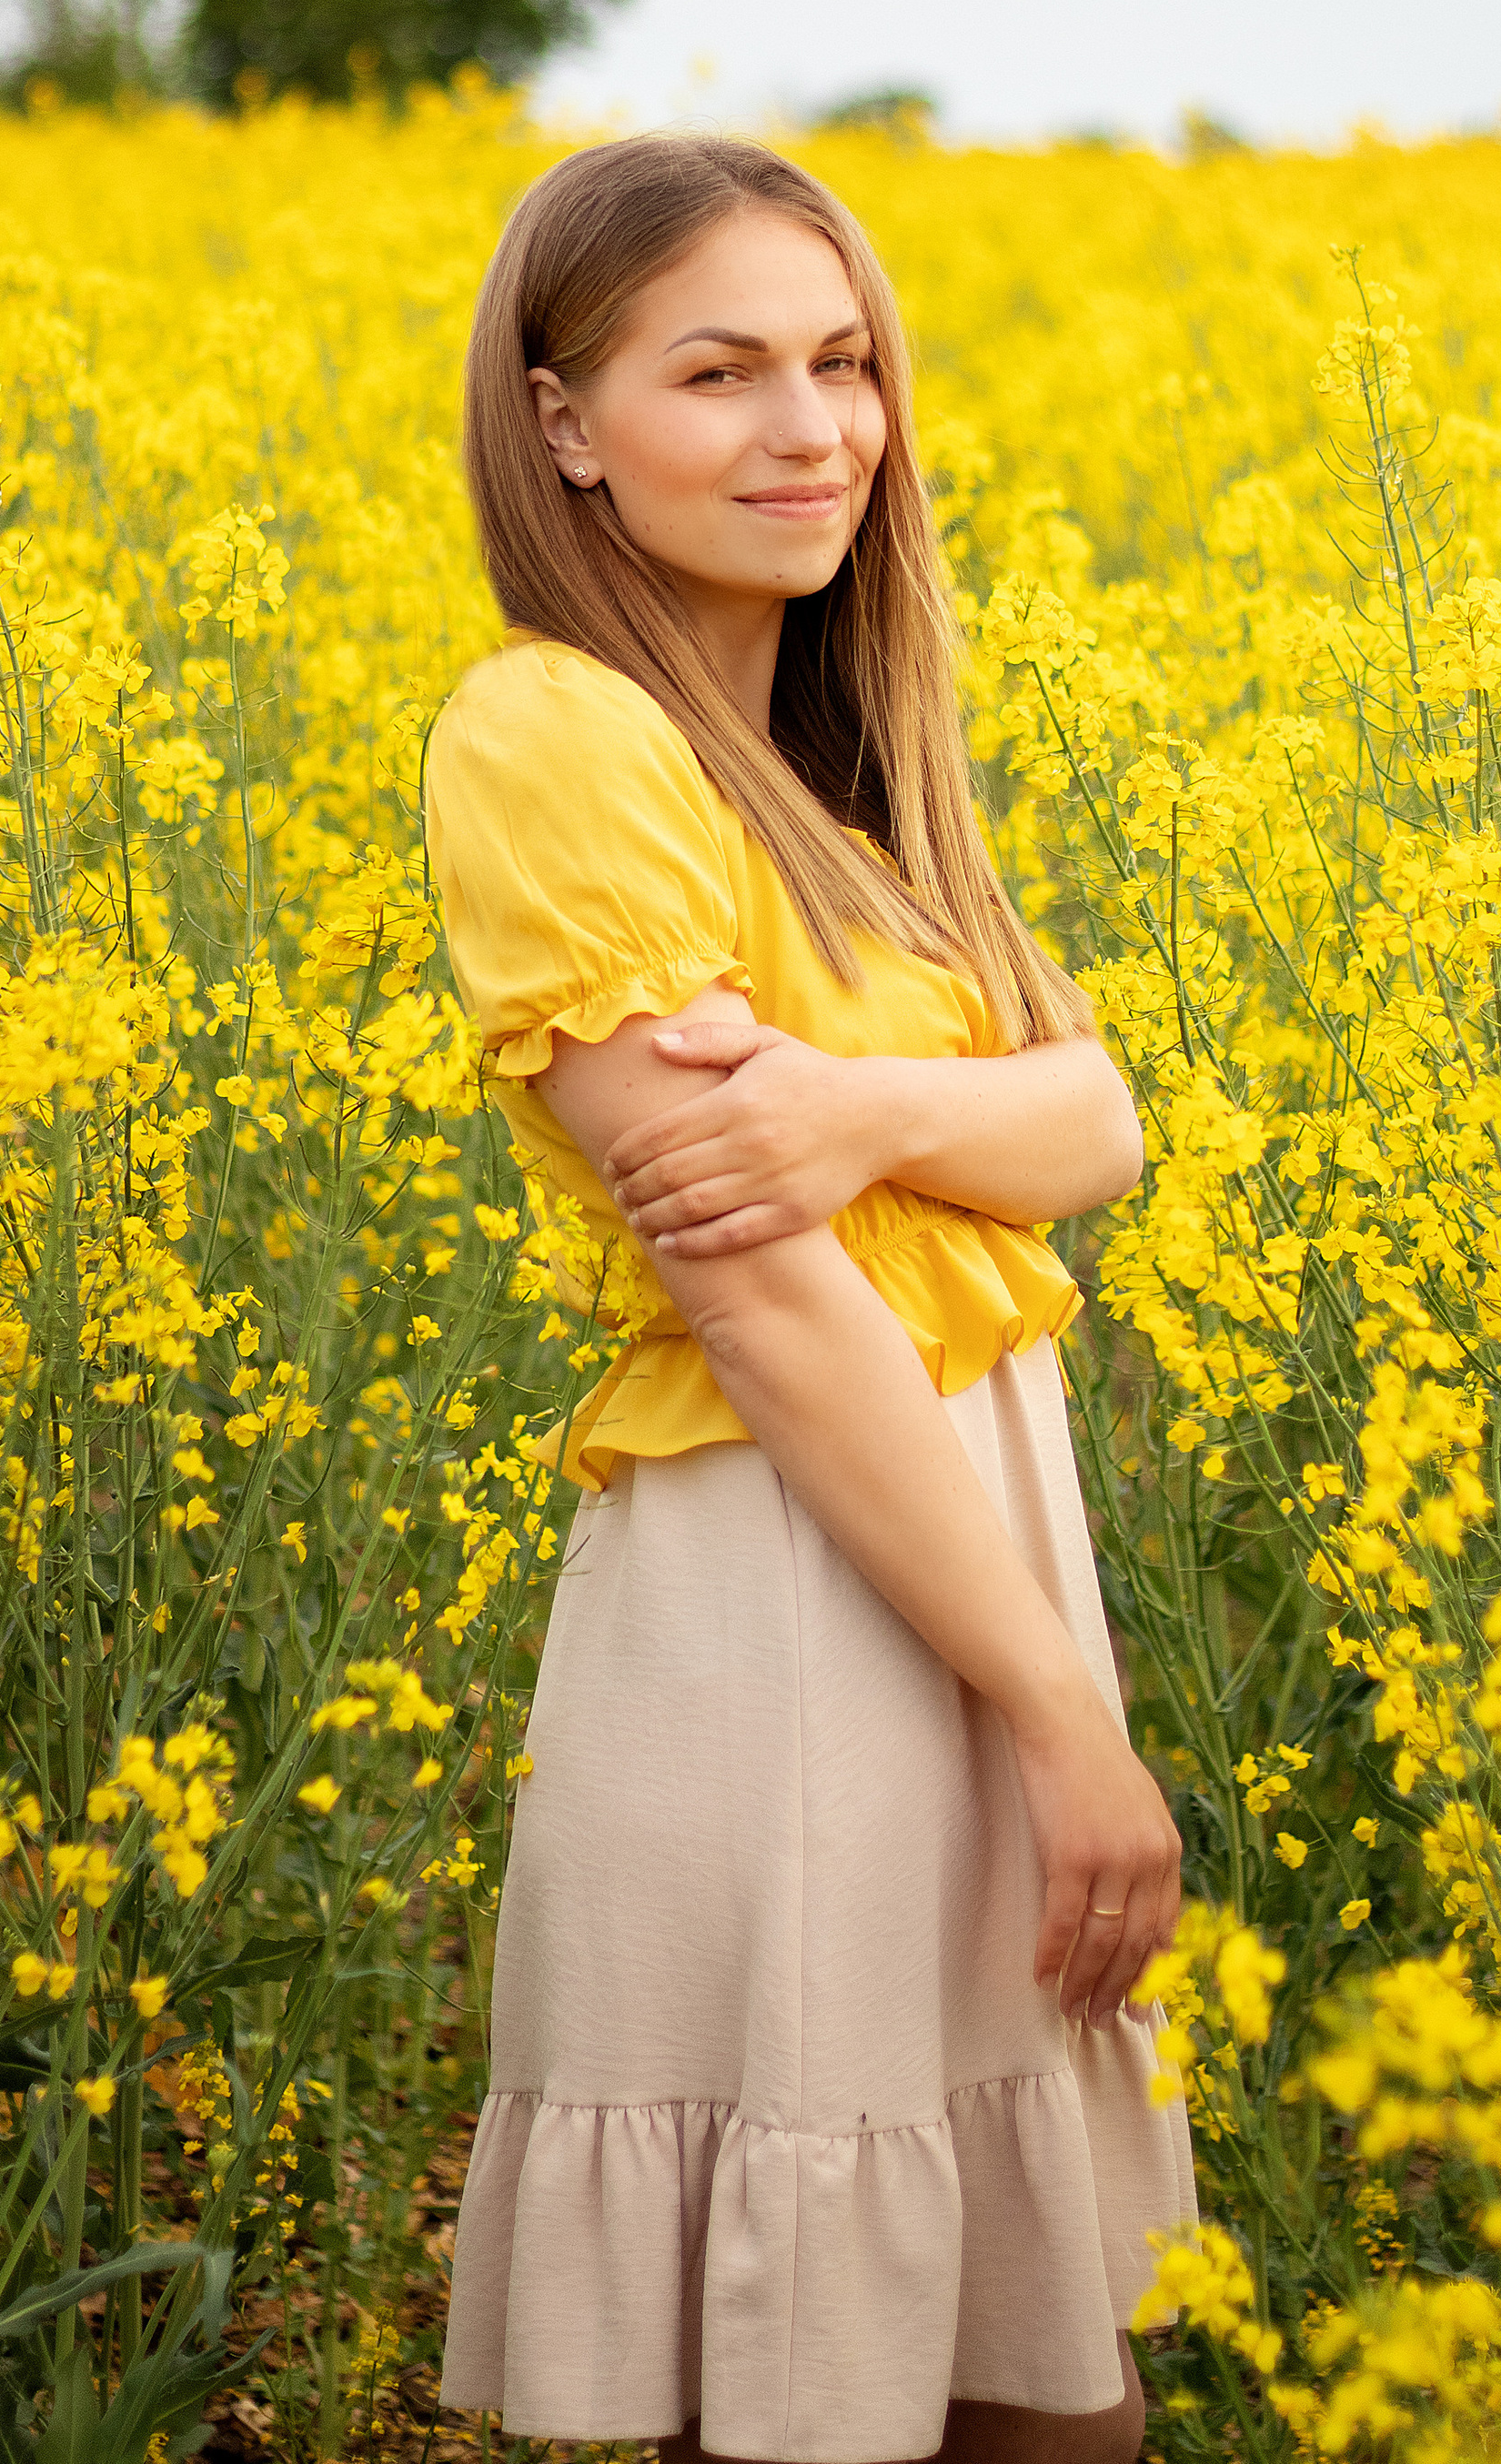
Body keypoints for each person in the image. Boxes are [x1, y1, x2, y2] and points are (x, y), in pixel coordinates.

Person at [424, 136, 1194, 2464]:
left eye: (841, 363)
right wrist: (1061, 1717)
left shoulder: (836, 793)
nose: (808, 430)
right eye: (718, 369)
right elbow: (762, 1304)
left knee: (1031, 2386)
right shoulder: (555, 734)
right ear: (564, 424)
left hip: (949, 1584)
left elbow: (1101, 1124)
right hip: (787, 1608)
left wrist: (857, 1113)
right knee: (818, 2400)